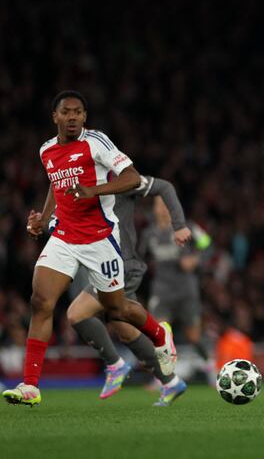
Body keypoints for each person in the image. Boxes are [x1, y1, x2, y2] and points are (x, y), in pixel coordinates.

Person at [3, 91, 178, 406]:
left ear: (85, 116)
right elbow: (56, 186)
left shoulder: (96, 142)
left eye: (79, 112)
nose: (73, 117)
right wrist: (43, 220)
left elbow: (132, 177)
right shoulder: (46, 151)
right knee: (41, 301)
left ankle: (160, 336)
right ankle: (30, 386)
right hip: (64, 237)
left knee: (117, 309)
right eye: (66, 112)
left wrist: (93, 191)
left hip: (100, 240)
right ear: (55, 116)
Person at [66, 175, 191, 406]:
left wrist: (179, 225)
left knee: (77, 313)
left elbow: (164, 186)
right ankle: (171, 382)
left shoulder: (120, 179)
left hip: (121, 266)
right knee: (125, 331)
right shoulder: (80, 184)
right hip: (104, 265)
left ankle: (115, 364)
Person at [142, 198, 213, 383]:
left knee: (194, 336)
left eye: (167, 204)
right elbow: (140, 257)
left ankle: (210, 367)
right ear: (155, 209)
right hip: (162, 291)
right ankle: (163, 377)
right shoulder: (149, 234)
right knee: (159, 334)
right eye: (159, 205)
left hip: (186, 290)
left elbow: (207, 244)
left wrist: (195, 260)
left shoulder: (186, 227)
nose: (164, 209)